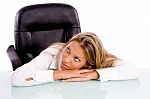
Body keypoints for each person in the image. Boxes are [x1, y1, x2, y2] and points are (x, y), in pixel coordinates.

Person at [11, 32, 139, 86]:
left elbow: (133, 70)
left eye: (76, 59)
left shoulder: (95, 62)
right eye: (68, 49)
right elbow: (16, 78)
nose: (66, 59)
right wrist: (61, 74)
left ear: (88, 63)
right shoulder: (53, 53)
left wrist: (93, 74)